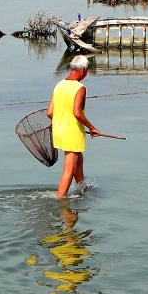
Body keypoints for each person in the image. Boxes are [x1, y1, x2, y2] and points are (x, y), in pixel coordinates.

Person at [47, 55, 100, 197]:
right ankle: (61, 200)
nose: (86, 73)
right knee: (68, 169)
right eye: (87, 70)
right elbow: (77, 113)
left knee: (78, 159)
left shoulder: (59, 85)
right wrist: (92, 127)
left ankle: (82, 188)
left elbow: (50, 112)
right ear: (82, 70)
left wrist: (63, 121)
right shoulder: (80, 88)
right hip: (72, 132)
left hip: (59, 130)